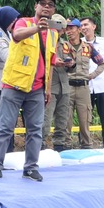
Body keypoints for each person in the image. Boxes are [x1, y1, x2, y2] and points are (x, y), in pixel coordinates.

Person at [0, 0, 59, 182]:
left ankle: (30, 167)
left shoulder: (53, 33)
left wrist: (49, 87)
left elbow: (50, 61)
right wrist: (37, 28)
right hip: (14, 84)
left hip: (37, 89)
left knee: (35, 129)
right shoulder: (23, 23)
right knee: (5, 127)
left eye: (50, 5)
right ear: (35, 6)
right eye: (42, 4)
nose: (46, 7)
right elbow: (16, 37)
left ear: (53, 11)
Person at [81, 17, 104, 149]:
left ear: (94, 26)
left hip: (103, 87)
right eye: (81, 26)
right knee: (84, 120)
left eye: (86, 24)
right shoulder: (78, 43)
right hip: (85, 87)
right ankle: (85, 146)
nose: (83, 27)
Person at [59, 19, 95, 149]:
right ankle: (65, 145)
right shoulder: (62, 46)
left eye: (72, 28)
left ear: (79, 30)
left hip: (83, 87)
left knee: (84, 119)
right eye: (67, 29)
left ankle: (86, 145)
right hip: (67, 85)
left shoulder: (88, 47)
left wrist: (92, 75)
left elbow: (102, 63)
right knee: (65, 118)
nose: (69, 32)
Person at [44, 13, 73, 150]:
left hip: (64, 85)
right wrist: (52, 62)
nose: (60, 32)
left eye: (62, 30)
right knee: (45, 119)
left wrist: (71, 64)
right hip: (49, 86)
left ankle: (60, 145)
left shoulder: (65, 45)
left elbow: (74, 65)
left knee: (63, 119)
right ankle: (40, 145)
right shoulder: (43, 41)